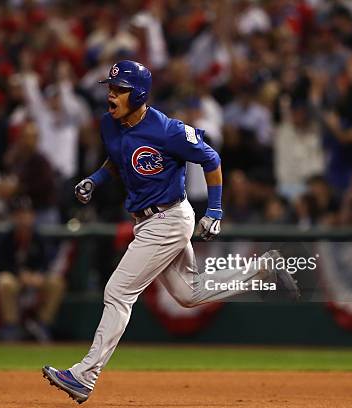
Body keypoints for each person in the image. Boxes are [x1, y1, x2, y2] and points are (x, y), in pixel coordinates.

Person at [42, 60, 300, 403]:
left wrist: (216, 209)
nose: (111, 96)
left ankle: (84, 375)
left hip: (169, 218)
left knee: (118, 292)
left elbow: (211, 159)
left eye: (119, 91)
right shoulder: (110, 124)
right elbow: (115, 160)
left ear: (140, 94)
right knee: (188, 293)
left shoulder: (167, 130)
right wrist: (95, 179)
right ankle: (262, 269)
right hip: (148, 220)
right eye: (110, 88)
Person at [0, 197, 66, 342]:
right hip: (16, 279)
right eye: (20, 214)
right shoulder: (6, 238)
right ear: (13, 217)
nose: (24, 219)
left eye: (27, 214)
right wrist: (19, 274)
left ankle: (42, 325)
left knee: (56, 283)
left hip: (35, 279)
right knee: (5, 282)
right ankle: (11, 327)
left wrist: (38, 275)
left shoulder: (38, 237)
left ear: (33, 216)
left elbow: (46, 263)